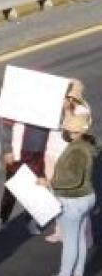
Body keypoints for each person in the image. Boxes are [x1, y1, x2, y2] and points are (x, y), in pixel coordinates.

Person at [39, 111, 96, 276]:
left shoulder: (78, 149)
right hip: (86, 198)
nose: (65, 132)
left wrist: (49, 183)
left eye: (67, 129)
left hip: (72, 200)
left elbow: (73, 178)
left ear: (75, 132)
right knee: (79, 239)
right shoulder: (87, 145)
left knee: (70, 241)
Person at [44, 79, 92, 243]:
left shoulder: (82, 110)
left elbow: (77, 133)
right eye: (65, 96)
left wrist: (68, 112)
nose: (66, 99)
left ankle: (86, 235)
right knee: (55, 195)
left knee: (75, 197)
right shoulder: (55, 108)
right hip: (51, 154)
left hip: (70, 156)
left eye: (70, 96)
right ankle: (60, 231)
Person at [0, 118, 49, 235]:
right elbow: (6, 125)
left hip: (37, 153)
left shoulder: (46, 105)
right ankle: (2, 219)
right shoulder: (17, 104)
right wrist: (7, 149)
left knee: (35, 188)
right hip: (17, 152)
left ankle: (30, 220)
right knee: (11, 188)